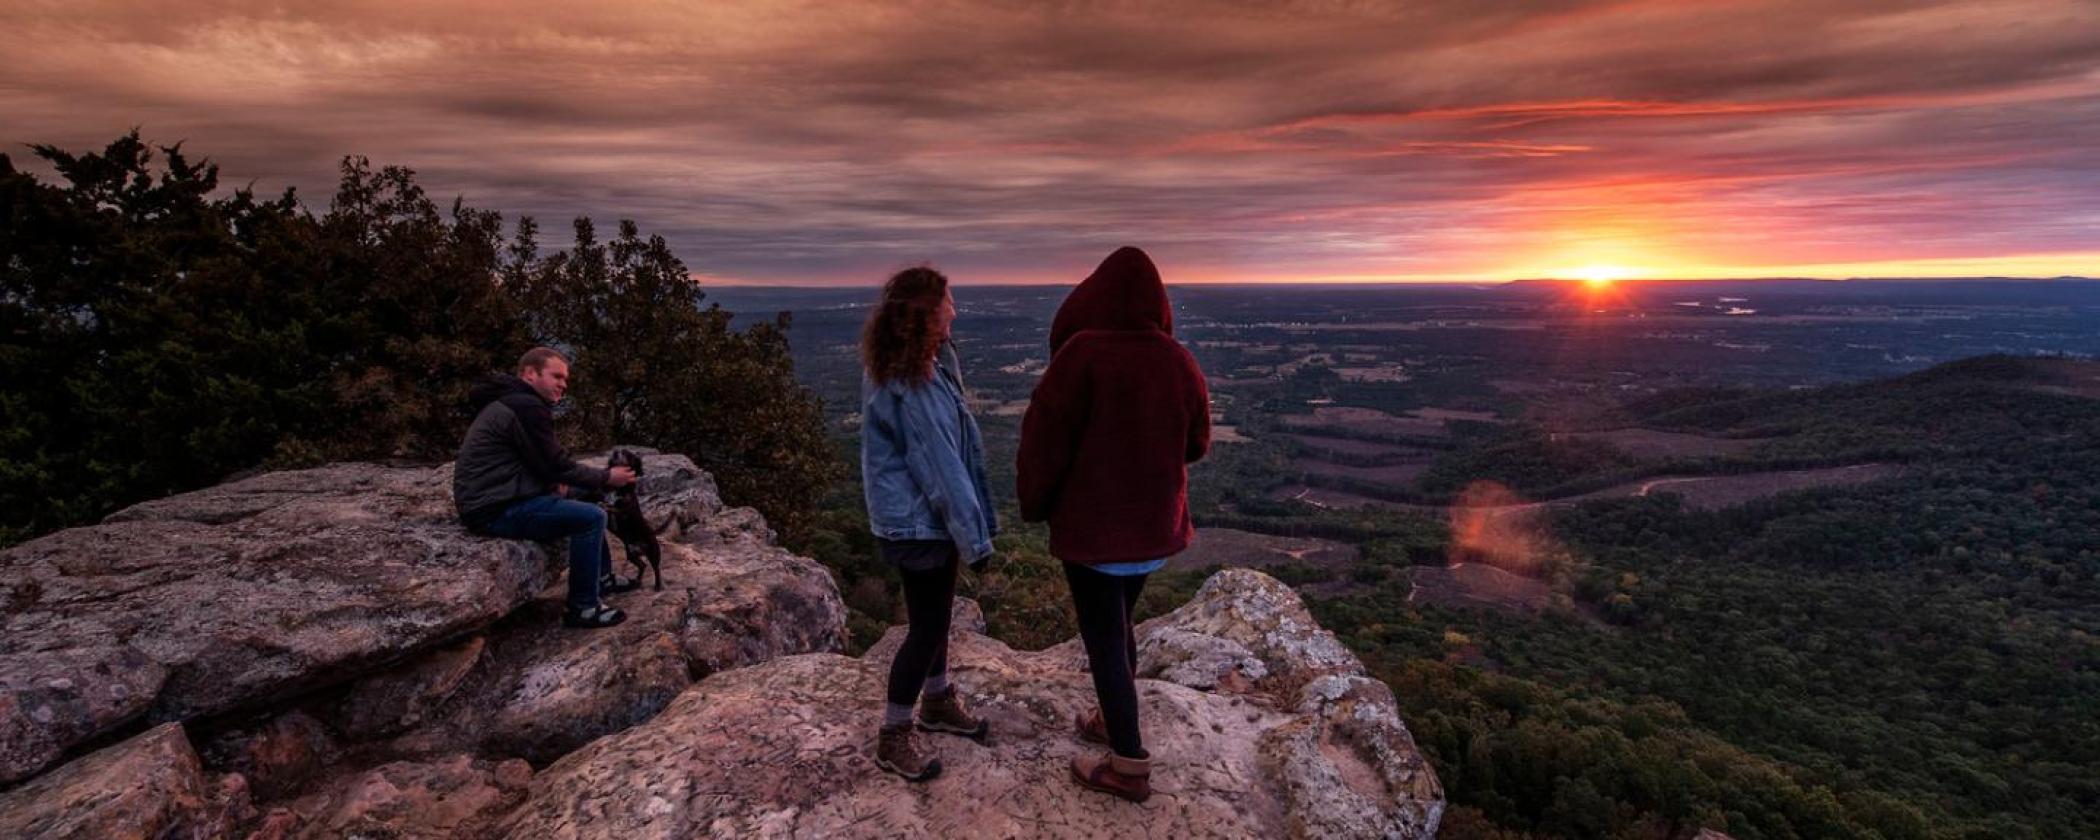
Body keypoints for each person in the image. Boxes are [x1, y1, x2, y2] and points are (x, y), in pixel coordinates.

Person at [1017, 246, 1210, 802]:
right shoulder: (1179, 361)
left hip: (1094, 534)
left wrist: (1036, 505)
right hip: (1154, 532)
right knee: (1118, 624)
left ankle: (1128, 764)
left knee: (1104, 637)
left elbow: (1041, 449)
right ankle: (1110, 717)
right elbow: (1195, 445)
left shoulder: (1081, 357)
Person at [859, 266, 997, 782]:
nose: (955, 311)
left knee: (935, 616)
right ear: (924, 314)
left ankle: (937, 700)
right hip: (920, 522)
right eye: (948, 303)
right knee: (928, 627)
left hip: (923, 519)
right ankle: (894, 733)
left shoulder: (917, 364)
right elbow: (940, 465)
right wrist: (974, 536)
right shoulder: (911, 382)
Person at [454, 347, 640, 629]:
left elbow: (539, 459)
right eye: (557, 376)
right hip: (494, 508)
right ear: (530, 374)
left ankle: (602, 578)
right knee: (591, 518)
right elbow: (557, 465)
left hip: (500, 495)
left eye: (565, 379)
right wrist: (607, 476)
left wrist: (554, 483)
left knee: (588, 496)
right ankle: (583, 608)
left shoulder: (514, 402)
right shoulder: (526, 407)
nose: (563, 385)